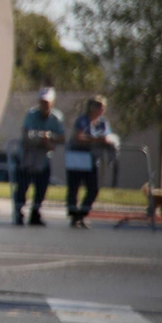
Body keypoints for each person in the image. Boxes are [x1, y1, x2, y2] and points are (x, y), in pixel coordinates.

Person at [14, 88, 64, 226]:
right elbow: (26, 134)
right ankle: (18, 212)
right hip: (28, 158)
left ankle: (35, 213)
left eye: (47, 102)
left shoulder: (56, 117)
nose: (45, 105)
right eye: (42, 102)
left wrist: (49, 138)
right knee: (22, 186)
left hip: (43, 159)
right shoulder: (31, 114)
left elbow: (61, 137)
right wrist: (41, 138)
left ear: (52, 103)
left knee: (41, 187)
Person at [65, 95, 115, 228]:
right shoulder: (82, 120)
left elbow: (108, 136)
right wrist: (97, 140)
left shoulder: (103, 123)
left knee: (93, 188)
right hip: (78, 157)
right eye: (98, 106)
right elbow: (78, 138)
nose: (101, 110)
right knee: (74, 187)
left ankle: (82, 213)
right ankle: (73, 215)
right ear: (91, 107)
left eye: (103, 107)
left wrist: (108, 141)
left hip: (92, 159)